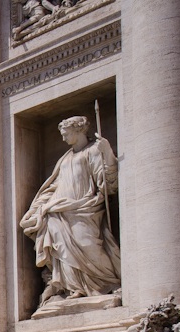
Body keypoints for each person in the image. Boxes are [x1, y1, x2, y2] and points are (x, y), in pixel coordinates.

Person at [20, 115, 121, 305]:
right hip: (57, 210)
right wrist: (38, 208)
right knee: (62, 250)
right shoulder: (65, 158)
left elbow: (107, 183)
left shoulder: (93, 151)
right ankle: (74, 288)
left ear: (78, 131)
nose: (63, 139)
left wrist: (107, 152)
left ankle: (107, 282)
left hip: (84, 207)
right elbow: (53, 186)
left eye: (66, 134)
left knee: (88, 243)